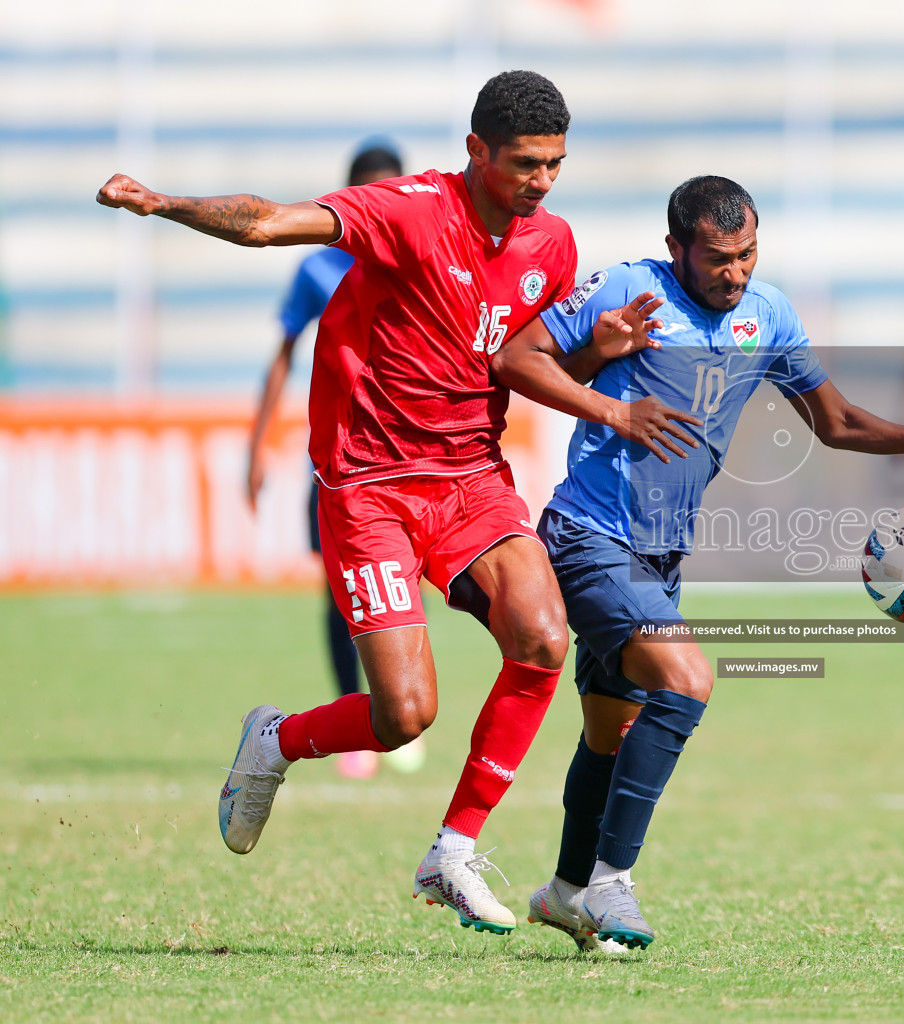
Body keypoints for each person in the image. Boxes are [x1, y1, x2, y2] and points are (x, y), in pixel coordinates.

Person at [97, 70, 697, 935]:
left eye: (555, 164)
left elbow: (525, 366)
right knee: (403, 715)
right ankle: (277, 739)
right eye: (525, 163)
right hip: (370, 485)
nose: (540, 181)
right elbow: (269, 224)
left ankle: (452, 851)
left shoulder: (551, 245)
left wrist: (595, 356)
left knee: (542, 637)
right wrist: (162, 204)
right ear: (475, 150)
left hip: (470, 479)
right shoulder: (409, 209)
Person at [490, 175, 904, 950]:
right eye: (719, 258)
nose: (736, 272)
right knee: (688, 679)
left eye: (748, 254)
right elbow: (516, 360)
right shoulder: (630, 288)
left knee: (611, 733)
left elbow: (834, 421)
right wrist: (612, 402)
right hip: (590, 534)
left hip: (660, 552)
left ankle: (563, 890)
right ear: (677, 250)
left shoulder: (769, 314)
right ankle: (609, 886)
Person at [246, 141, 406, 781]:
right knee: (341, 592)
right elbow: (283, 353)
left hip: (413, 456)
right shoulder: (318, 269)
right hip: (339, 458)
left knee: (402, 584)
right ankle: (359, 716)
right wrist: (256, 443)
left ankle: (394, 702)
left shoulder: (420, 258)